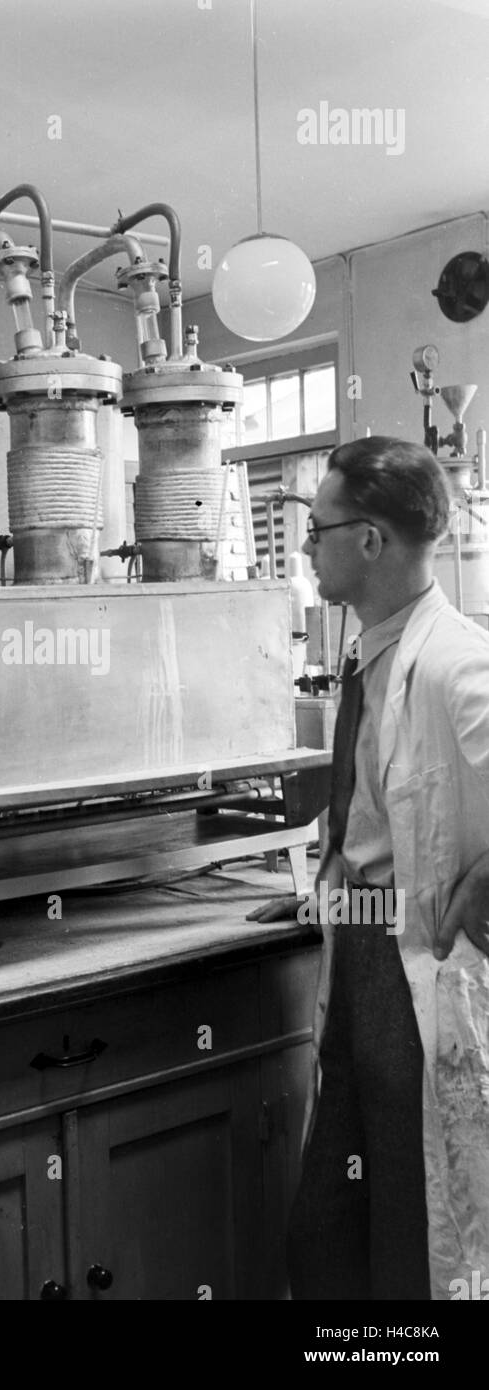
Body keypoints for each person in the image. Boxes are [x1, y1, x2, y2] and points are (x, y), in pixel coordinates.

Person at [248, 436, 489, 1301]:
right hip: (361, 948)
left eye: (316, 529)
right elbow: (372, 813)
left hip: (407, 965)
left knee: (404, 1213)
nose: (306, 546)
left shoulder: (455, 662)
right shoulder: (377, 651)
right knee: (333, 1216)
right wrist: (326, 894)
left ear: (371, 541)